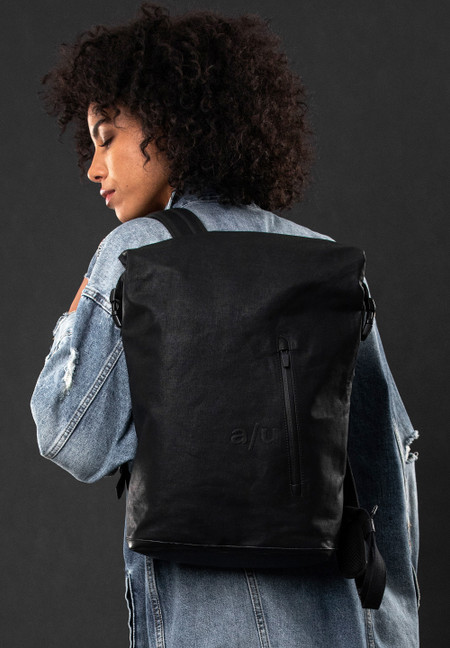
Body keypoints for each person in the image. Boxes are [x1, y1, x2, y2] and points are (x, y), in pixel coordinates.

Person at [30, 3, 420, 646]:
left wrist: (81, 303)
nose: (93, 167)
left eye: (106, 137)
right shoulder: (325, 260)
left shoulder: (137, 253)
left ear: (168, 124)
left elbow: (70, 434)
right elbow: (386, 465)